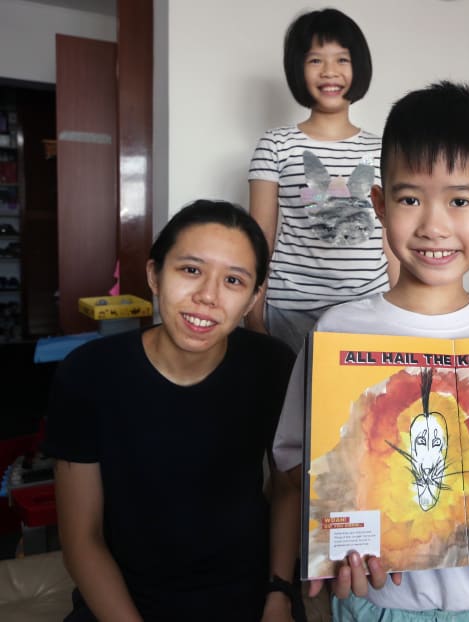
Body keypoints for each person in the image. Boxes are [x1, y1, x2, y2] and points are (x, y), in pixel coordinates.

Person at [270, 82, 469, 622]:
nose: (434, 225)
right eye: (411, 199)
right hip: (379, 601)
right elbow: (296, 462)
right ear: (380, 205)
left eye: (460, 201)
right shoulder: (339, 331)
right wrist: (342, 522)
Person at [42, 200, 296, 621]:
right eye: (191, 270)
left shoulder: (271, 365)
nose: (207, 297)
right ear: (154, 275)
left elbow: (287, 489)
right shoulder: (89, 373)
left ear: (253, 298)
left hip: (248, 597)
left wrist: (279, 594)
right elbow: (81, 538)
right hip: (123, 601)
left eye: (233, 280)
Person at [247, 7, 398, 352]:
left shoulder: (383, 149)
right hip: (289, 310)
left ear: (357, 67)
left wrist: (400, 310)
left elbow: (392, 240)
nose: (330, 71)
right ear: (298, 68)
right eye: (316, 60)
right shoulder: (275, 145)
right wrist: (253, 315)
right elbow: (259, 238)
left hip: (367, 311)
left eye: (342, 59)